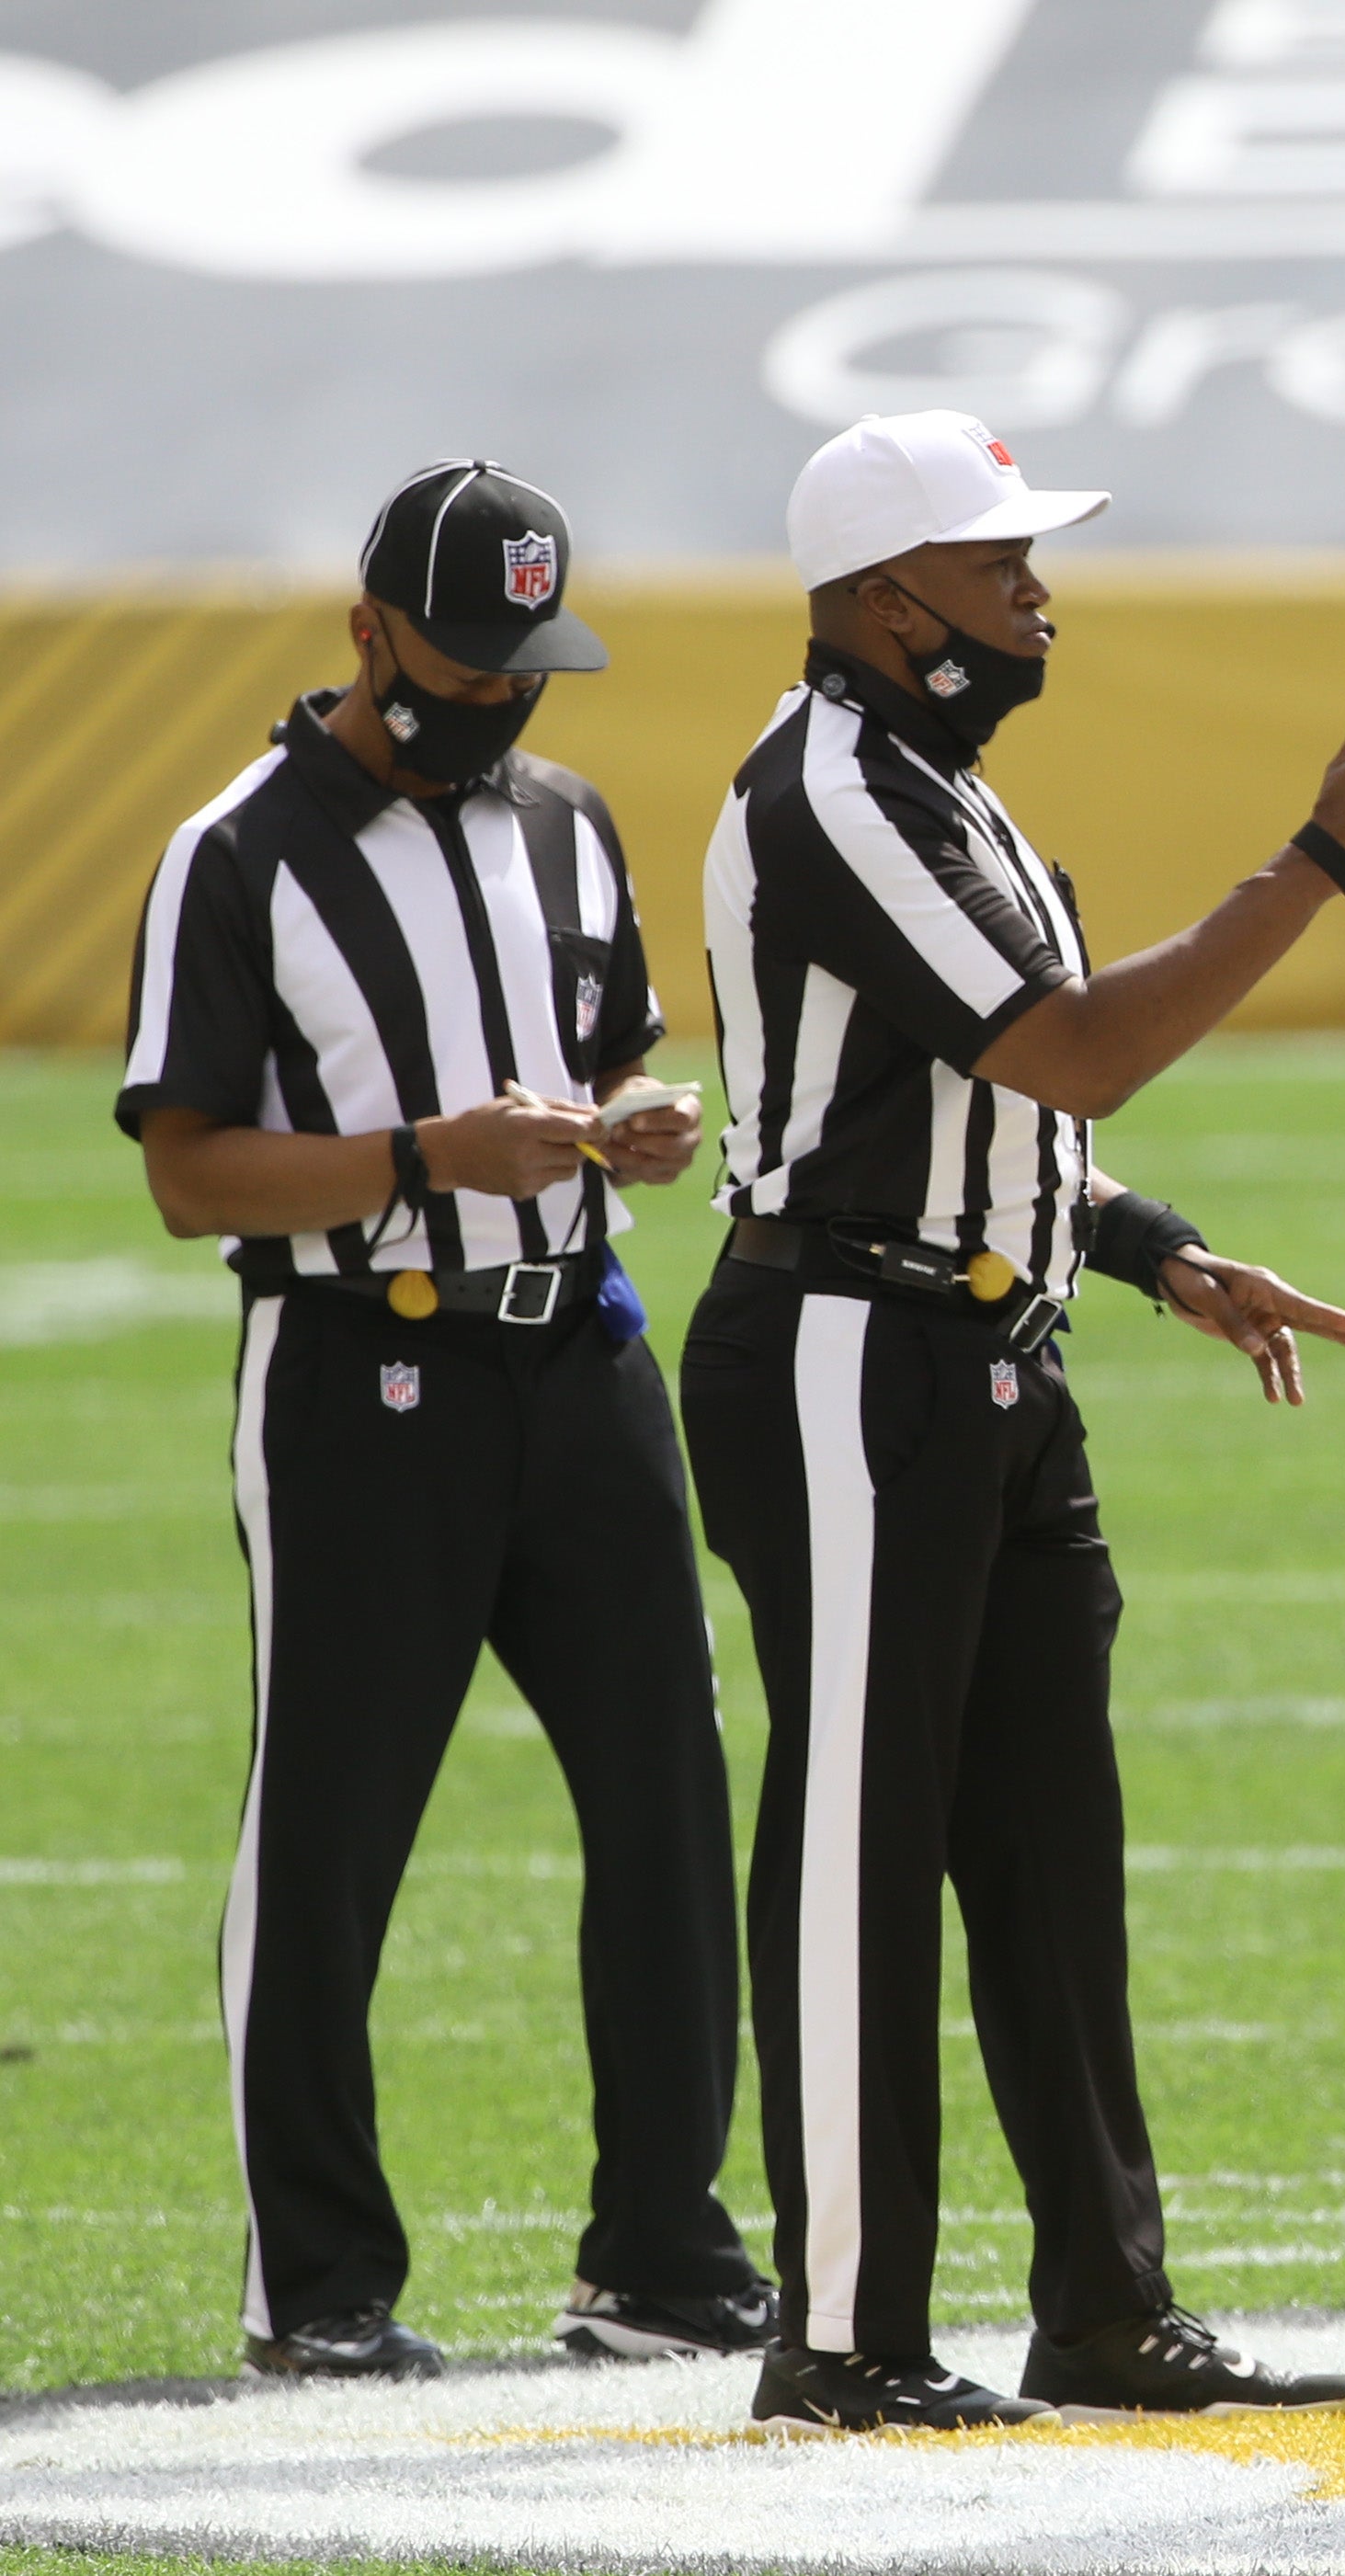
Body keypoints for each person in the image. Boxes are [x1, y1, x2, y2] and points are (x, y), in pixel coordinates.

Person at [678, 409, 1345, 2433]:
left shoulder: (941, 791)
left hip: (985, 1355)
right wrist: (1318, 870)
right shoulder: (830, 785)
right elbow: (1080, 1051)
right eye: (998, 565)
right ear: (878, 596)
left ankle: (1107, 2309)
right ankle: (839, 2338)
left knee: (1045, 1853)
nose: (1036, 600)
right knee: (861, 1841)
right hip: (849, 1360)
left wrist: (1162, 1256)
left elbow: (993, 1122)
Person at [118, 460, 771, 2378]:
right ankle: (318, 2286)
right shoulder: (235, 853)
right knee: (329, 1833)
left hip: (580, 1350)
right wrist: (422, 1153)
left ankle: (661, 2251)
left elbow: (616, 1040)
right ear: (365, 629)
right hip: (362, 1366)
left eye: (521, 663)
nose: (492, 697)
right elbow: (188, 1175)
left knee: (667, 1791)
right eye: (459, 659)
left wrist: (634, 1116)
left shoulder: (565, 822)